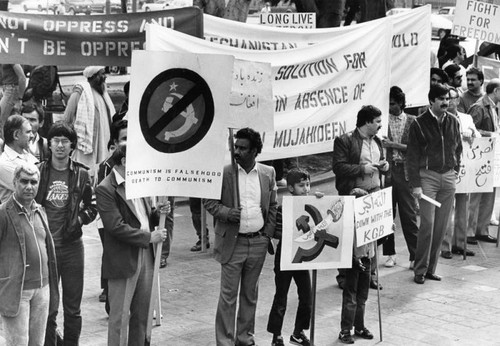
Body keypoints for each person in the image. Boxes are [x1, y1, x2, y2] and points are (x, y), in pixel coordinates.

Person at [203, 127, 277, 346]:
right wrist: (227, 213)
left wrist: (267, 235)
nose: (237, 151)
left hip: (258, 243)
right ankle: (224, 342)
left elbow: (272, 205)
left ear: (255, 151)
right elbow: (209, 202)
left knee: (249, 295)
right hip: (232, 244)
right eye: (235, 147)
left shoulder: (268, 173)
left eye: (243, 148)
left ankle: (245, 339)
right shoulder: (225, 173)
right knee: (228, 297)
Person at [95, 143, 169, 345]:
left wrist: (158, 212)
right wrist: (148, 238)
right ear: (125, 161)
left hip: (145, 254)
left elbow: (144, 217)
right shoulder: (105, 188)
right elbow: (115, 226)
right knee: (119, 317)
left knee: (142, 312)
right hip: (123, 258)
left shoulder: (139, 183)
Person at [35, 122, 97, 345]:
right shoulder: (38, 171)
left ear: (72, 146)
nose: (60, 145)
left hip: (72, 248)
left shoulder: (81, 175)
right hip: (44, 248)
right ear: (49, 144)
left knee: (73, 308)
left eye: (65, 141)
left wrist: (79, 220)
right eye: (56, 141)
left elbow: (93, 207)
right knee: (48, 308)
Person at [407, 83, 462, 284]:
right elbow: (411, 157)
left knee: (441, 226)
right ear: (431, 101)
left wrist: (455, 170)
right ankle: (419, 270)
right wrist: (415, 184)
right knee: (428, 225)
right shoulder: (418, 123)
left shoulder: (454, 121)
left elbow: (458, 148)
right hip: (427, 178)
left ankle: (431, 269)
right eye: (441, 99)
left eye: (448, 98)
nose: (446, 102)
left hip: (448, 177)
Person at [0, 163, 58, 346]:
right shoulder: (3, 213)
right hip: (17, 291)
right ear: (15, 182)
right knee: (17, 343)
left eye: (33, 182)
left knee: (37, 343)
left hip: (43, 289)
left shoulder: (40, 210)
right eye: (24, 181)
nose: (29, 186)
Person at [333, 105, 389, 291]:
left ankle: (370, 275)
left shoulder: (377, 141)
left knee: (372, 235)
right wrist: (361, 169)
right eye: (378, 121)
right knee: (351, 236)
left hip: (374, 193)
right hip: (353, 194)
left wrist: (383, 166)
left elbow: (376, 164)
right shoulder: (345, 140)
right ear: (367, 122)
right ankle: (345, 276)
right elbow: (338, 167)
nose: (381, 125)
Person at [267, 168, 312, 346]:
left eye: (308, 184)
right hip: (285, 256)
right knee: (281, 297)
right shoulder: (283, 208)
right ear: (291, 188)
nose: (306, 189)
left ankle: (298, 331)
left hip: (302, 256)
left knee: (307, 297)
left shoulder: (312, 205)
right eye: (301, 185)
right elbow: (277, 233)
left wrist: (322, 202)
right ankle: (276, 335)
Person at [381, 87, 418, 269]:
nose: (390, 107)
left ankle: (414, 255)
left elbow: (417, 148)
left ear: (401, 103)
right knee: (388, 214)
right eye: (388, 103)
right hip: (388, 173)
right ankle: (390, 253)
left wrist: (393, 145)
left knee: (409, 215)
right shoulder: (381, 121)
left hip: (405, 173)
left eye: (393, 104)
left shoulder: (412, 121)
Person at [440, 86, 480, 259]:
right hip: (448, 170)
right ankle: (445, 246)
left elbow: (478, 137)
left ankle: (460, 243)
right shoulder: (439, 118)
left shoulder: (466, 117)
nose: (449, 102)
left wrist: (471, 133)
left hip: (465, 170)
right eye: (446, 98)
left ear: (457, 100)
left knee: (463, 208)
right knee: (447, 210)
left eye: (452, 98)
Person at [96, 119, 128, 305]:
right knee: (111, 255)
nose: (128, 143)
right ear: (114, 143)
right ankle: (109, 293)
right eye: (124, 139)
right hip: (109, 221)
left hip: (130, 223)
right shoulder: (107, 166)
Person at [338, 188, 375, 344]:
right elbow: (346, 244)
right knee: (351, 297)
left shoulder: (369, 220)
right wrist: (354, 259)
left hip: (366, 260)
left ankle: (359, 326)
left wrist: (388, 229)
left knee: (362, 296)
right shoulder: (348, 222)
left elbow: (377, 238)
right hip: (353, 262)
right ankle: (345, 330)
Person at [465, 78, 500, 245]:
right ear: (496, 90)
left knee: (489, 194)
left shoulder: (493, 107)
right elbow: (472, 130)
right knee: (476, 195)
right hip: (480, 157)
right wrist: (490, 134)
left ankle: (482, 229)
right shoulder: (479, 107)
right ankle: (470, 230)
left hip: (491, 156)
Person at [64, 66, 115, 176]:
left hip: (103, 142)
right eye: (101, 74)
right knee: (83, 174)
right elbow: (67, 118)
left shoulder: (103, 93)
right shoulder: (80, 91)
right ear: (94, 76)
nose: (105, 76)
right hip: (85, 146)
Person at [0, 114, 38, 203]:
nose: (32, 136)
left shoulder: (29, 157)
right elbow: (36, 188)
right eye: (28, 132)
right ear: (16, 135)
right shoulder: (3, 164)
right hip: (13, 216)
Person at [0, 64, 27, 137]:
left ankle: (3, 147)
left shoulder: (11, 57)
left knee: (1, 123)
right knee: (10, 124)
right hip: (8, 90)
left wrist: (19, 98)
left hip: (11, 90)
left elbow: (22, 78)